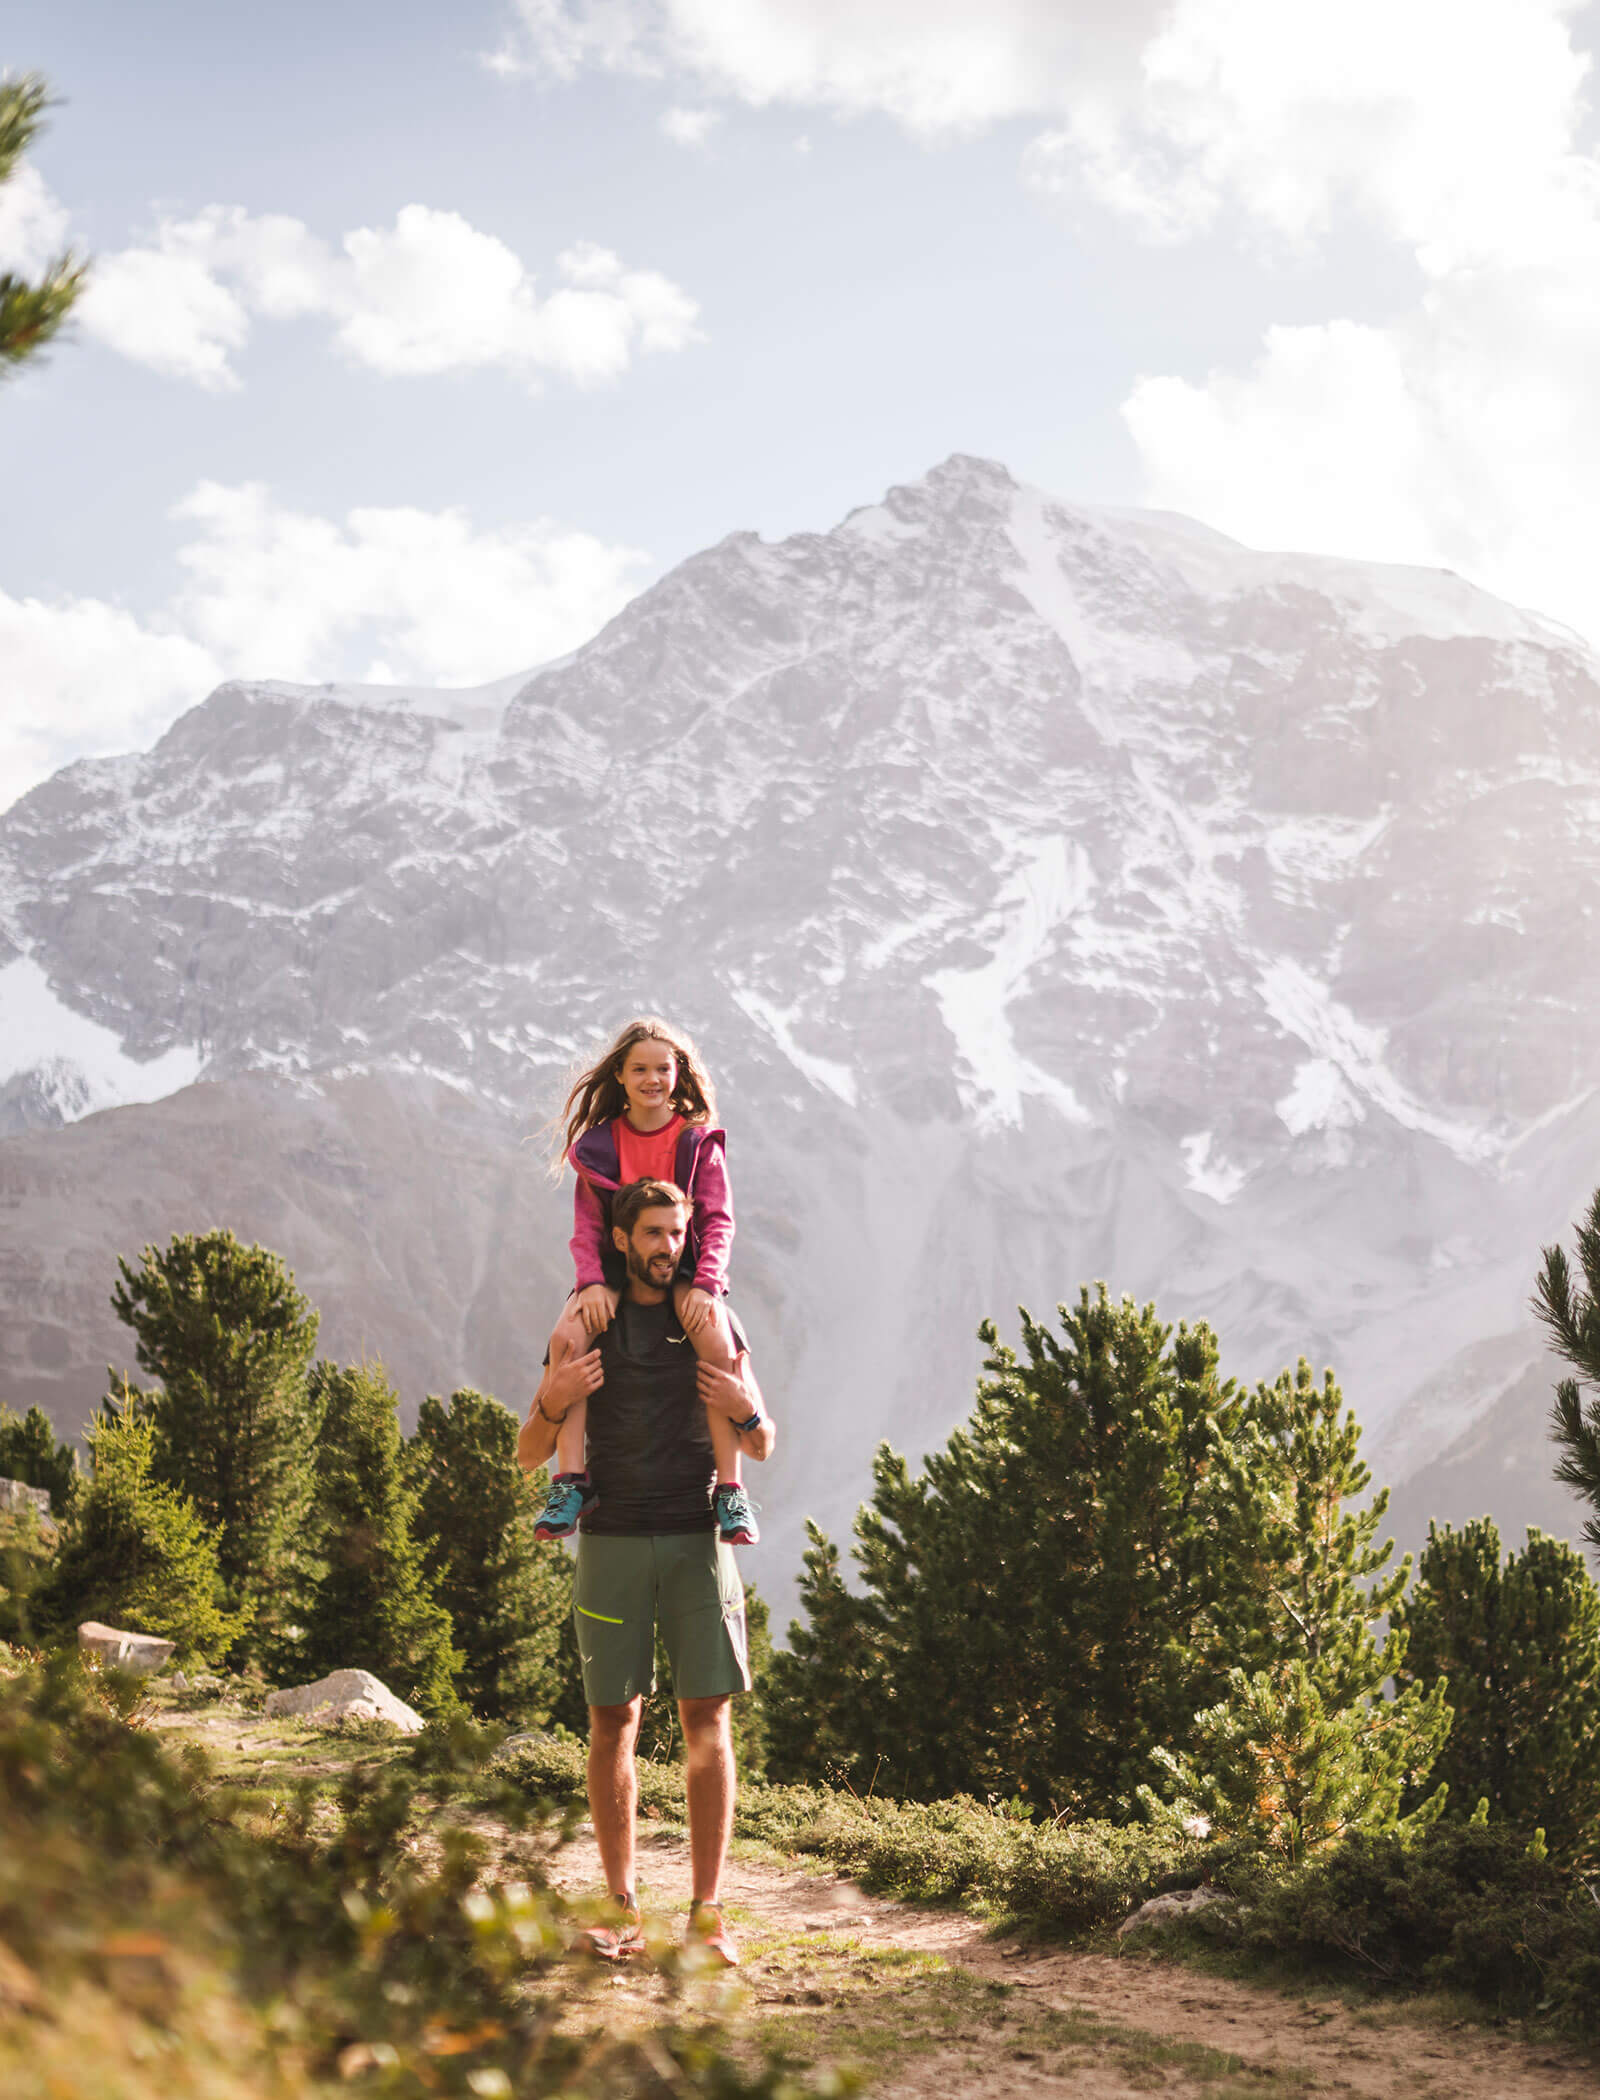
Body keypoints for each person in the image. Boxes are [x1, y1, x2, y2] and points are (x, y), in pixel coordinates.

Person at [517, 1177, 776, 1967]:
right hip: (612, 1540)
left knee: (708, 1721)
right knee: (612, 1724)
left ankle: (707, 1913)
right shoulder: (587, 1320)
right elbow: (529, 1453)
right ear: (622, 1240)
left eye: (678, 1232)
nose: (668, 1247)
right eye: (653, 1234)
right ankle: (618, 1906)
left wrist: (745, 1406)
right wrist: (556, 1397)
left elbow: (764, 1444)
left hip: (699, 1537)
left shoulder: (709, 1316)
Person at [533, 1016, 758, 1547]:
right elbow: (587, 1225)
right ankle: (570, 1481)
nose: (652, 1078)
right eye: (640, 1069)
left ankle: (729, 1488)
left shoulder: (698, 1141)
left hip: (685, 1262)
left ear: (680, 1073)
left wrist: (706, 1283)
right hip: (616, 1264)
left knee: (716, 1340)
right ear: (619, 1075)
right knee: (569, 1339)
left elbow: (718, 1219)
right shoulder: (599, 1145)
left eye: (663, 1067)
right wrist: (589, 1282)